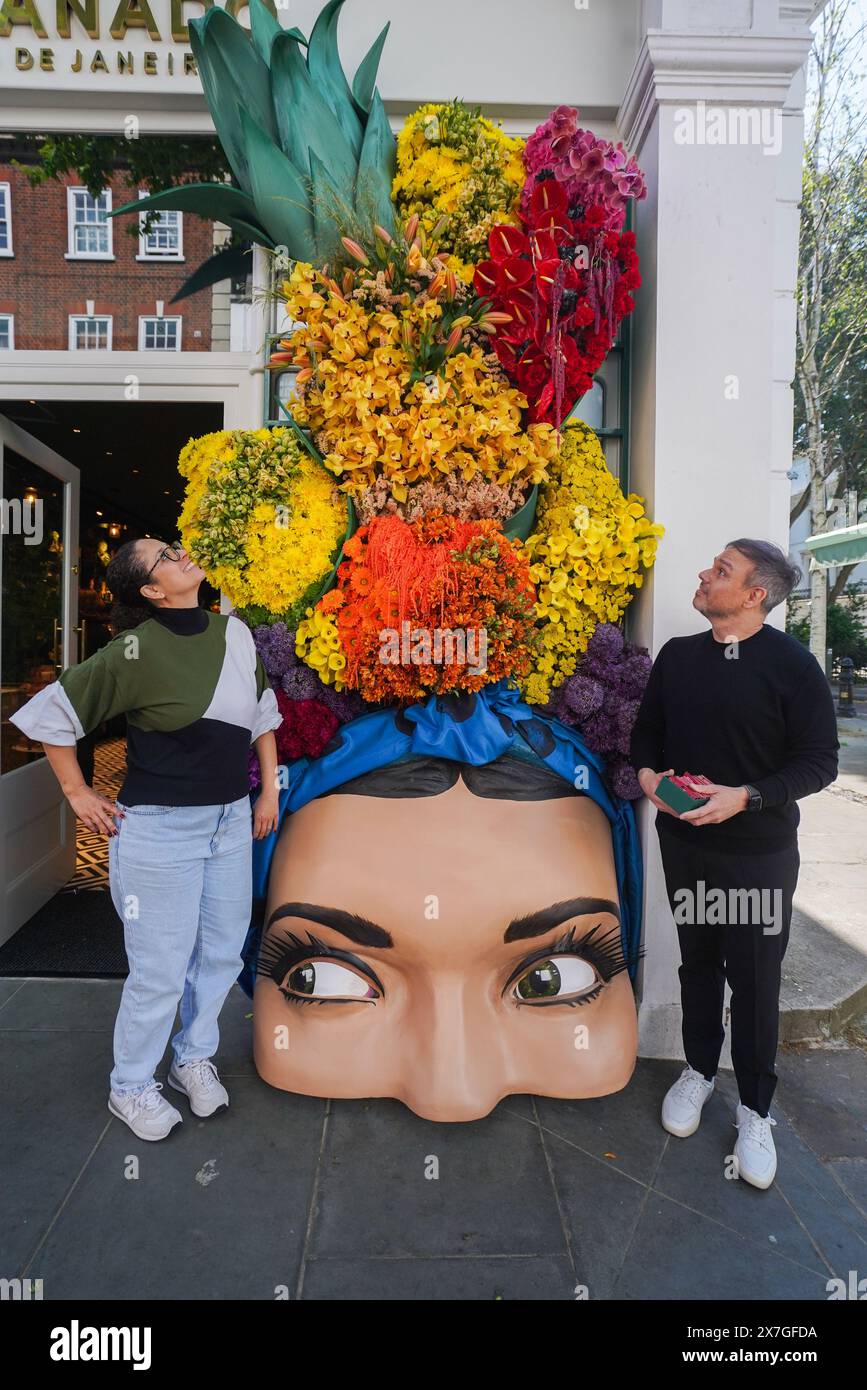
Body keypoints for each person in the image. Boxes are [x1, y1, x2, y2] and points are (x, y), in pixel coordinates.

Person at [10, 538, 282, 1142]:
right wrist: (77, 792)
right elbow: (51, 714)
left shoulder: (232, 633)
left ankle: (191, 1058)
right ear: (152, 592)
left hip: (231, 822)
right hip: (159, 830)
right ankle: (130, 1086)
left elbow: (262, 713)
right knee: (159, 970)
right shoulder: (132, 650)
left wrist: (268, 793)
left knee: (220, 951)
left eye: (175, 546)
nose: (182, 553)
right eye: (164, 557)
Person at [630, 538, 839, 1190]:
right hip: (686, 845)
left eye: (721, 571)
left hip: (756, 854)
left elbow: (817, 763)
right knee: (697, 961)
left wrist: (744, 796)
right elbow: (647, 737)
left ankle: (753, 1110)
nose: (703, 573)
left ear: (755, 596)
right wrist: (648, 779)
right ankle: (696, 1071)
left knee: (752, 981)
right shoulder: (677, 656)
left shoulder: (792, 667)